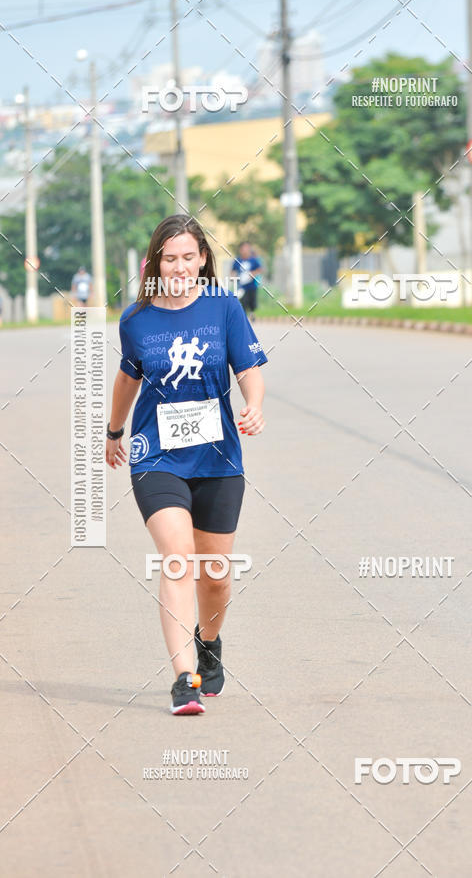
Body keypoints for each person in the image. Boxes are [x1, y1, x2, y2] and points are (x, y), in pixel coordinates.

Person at [105, 215, 267, 715]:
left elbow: (248, 367)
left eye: (188, 257)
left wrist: (254, 404)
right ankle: (184, 679)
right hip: (155, 456)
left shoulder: (223, 307)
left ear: (202, 259)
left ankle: (209, 644)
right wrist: (114, 431)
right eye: (169, 258)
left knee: (214, 575)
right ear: (155, 263)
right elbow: (128, 378)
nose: (179, 267)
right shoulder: (136, 320)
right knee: (177, 558)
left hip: (218, 460)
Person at [231, 242, 262, 320]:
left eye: (247, 249)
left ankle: (252, 313)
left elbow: (260, 269)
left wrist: (253, 273)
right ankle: (244, 316)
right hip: (242, 286)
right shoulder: (238, 260)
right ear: (240, 250)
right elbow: (233, 270)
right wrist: (233, 277)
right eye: (243, 249)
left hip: (252, 285)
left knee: (252, 301)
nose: (245, 251)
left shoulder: (253, 260)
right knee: (243, 301)